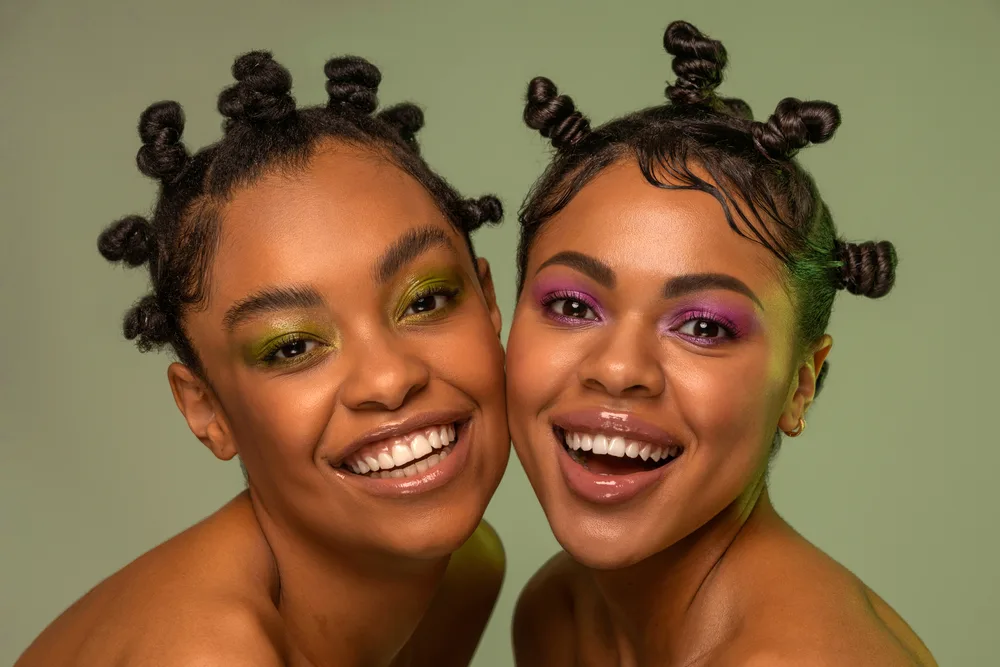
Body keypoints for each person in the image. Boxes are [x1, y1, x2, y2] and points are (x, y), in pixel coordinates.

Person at [15, 50, 510, 667]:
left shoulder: (464, 572)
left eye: (426, 300)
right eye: (293, 346)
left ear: (488, 303)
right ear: (207, 409)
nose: (388, 378)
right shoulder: (210, 652)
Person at [505, 19, 937, 667]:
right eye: (572, 305)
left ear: (801, 382)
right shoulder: (558, 612)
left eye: (704, 326)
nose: (620, 368)